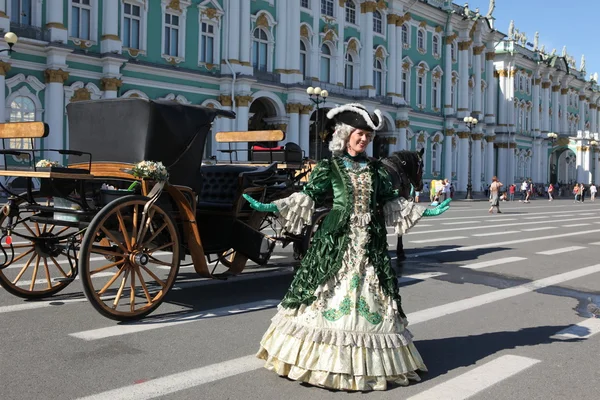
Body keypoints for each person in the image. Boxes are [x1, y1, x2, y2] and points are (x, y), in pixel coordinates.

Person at [245, 103, 451, 391]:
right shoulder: (331, 167)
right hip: (336, 241)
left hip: (370, 244)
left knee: (373, 296)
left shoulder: (377, 170)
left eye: (368, 135)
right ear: (345, 134)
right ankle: (318, 361)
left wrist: (427, 211)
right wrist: (270, 205)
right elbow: (308, 196)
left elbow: (391, 202)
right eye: (359, 133)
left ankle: (369, 366)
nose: (364, 139)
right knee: (322, 294)